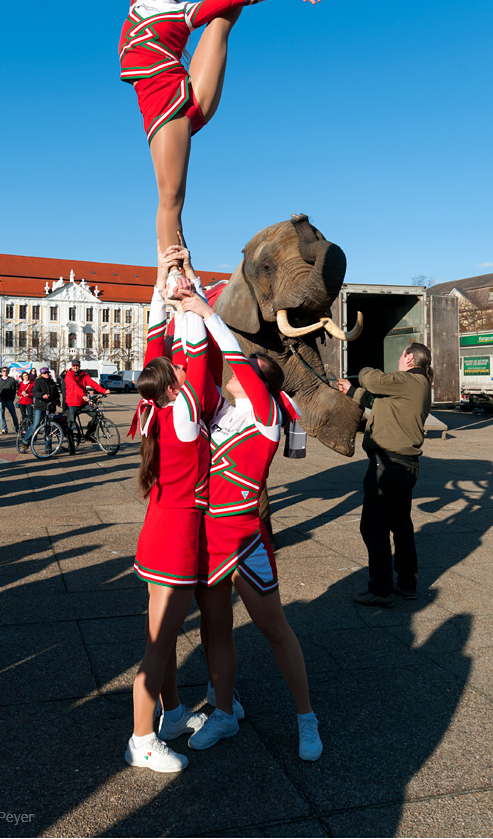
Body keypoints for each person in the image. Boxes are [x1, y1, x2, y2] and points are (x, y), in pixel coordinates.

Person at [120, 0, 320, 280]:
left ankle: (176, 275)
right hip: (169, 103)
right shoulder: (138, 0)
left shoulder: (181, 11)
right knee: (170, 199)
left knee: (169, 201)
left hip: (174, 105)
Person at [180, 293, 323, 762]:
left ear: (260, 382)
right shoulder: (220, 411)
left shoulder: (265, 418)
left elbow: (235, 357)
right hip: (209, 538)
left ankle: (306, 716)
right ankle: (225, 711)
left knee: (275, 628)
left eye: (248, 369)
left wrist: (209, 314)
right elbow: (201, 357)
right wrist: (186, 295)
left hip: (244, 537)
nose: (236, 371)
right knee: (216, 630)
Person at [124, 246, 211, 775]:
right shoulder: (183, 413)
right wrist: (190, 294)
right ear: (176, 383)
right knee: (158, 646)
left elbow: (157, 347)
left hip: (158, 528)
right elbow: (195, 345)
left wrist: (165, 279)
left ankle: (173, 714)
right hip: (177, 537)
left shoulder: (155, 406)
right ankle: (140, 739)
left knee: (164, 634)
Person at [337, 345, 433, 607]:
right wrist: (352, 391)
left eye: (401, 355)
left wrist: (362, 368)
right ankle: (406, 585)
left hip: (387, 465)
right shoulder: (418, 385)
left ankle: (380, 590)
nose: (399, 359)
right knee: (401, 526)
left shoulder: (407, 379)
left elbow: (372, 379)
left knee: (373, 528)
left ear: (410, 358)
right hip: (405, 466)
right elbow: (379, 402)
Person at [64, 360, 109, 440]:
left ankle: (89, 434)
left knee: (97, 416)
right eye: (74, 365)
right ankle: (71, 447)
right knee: (71, 425)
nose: (75, 367)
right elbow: (75, 387)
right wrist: (83, 396)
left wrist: (104, 391)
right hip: (72, 403)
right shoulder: (69, 375)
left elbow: (92, 383)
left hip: (82, 403)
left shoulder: (84, 375)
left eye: (77, 365)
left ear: (79, 366)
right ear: (71, 366)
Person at [21, 367, 60, 451]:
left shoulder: (52, 382)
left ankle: (48, 447)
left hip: (50, 406)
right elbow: (35, 393)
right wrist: (42, 395)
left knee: (48, 427)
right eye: (45, 373)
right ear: (41, 374)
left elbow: (56, 393)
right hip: (40, 406)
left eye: (48, 373)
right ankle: (25, 440)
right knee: (36, 424)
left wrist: (57, 401)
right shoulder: (38, 382)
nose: (47, 374)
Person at [0, 367, 19, 434]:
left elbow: (14, 390)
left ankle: (17, 429)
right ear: (2, 372)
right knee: (1, 415)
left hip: (9, 400)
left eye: (6, 371)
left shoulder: (12, 380)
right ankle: (4, 429)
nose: (5, 372)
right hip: (1, 401)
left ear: (8, 372)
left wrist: (12, 399)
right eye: (4, 371)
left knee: (13, 415)